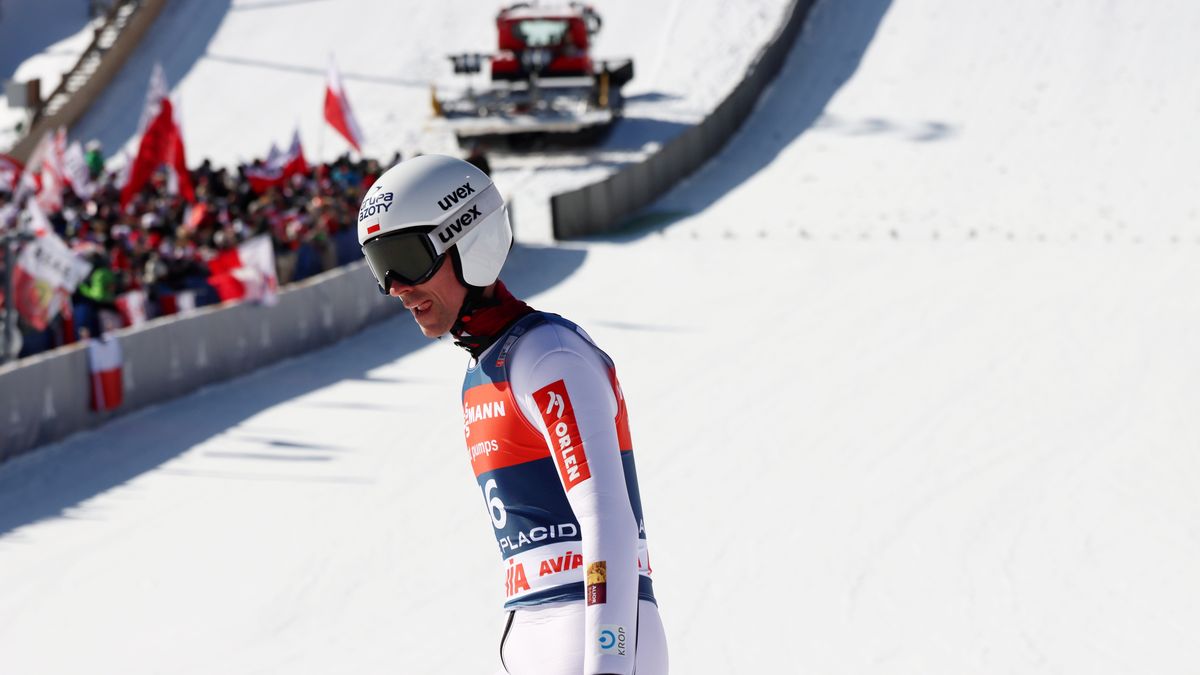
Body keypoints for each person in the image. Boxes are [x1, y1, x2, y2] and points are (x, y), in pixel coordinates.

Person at [357, 155, 667, 675]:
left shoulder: (548, 357)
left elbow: (609, 521)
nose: (394, 285)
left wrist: (610, 662)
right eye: (377, 265)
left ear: (466, 240)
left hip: (591, 632)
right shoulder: (485, 373)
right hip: (537, 631)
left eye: (406, 259)